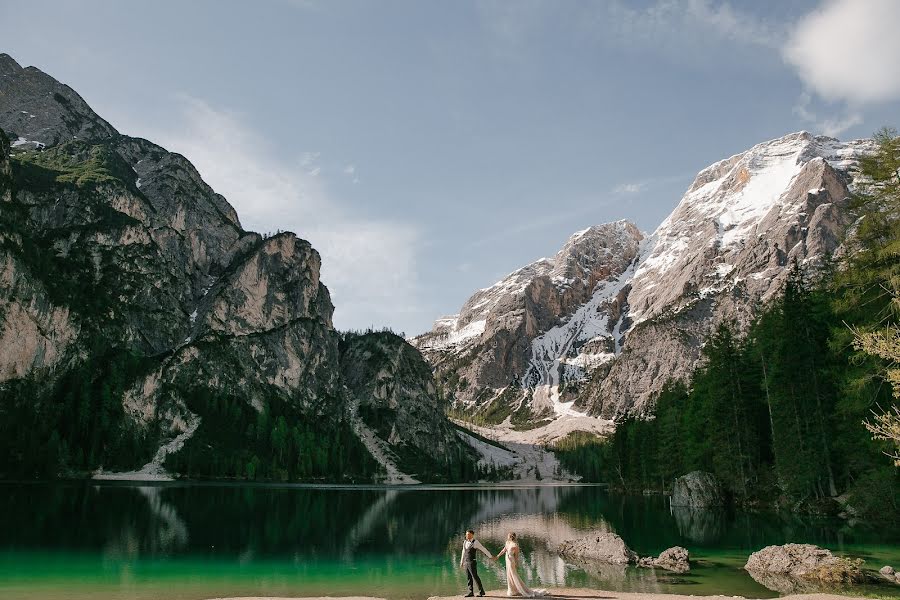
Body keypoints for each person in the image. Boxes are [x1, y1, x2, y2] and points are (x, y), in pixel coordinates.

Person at [495, 532, 547, 598]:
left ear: (511, 537)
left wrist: (516, 564)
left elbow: (516, 556)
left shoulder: (515, 546)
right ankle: (512, 590)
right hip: (507, 560)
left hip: (511, 561)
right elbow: (504, 550)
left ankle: (517, 590)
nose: (507, 537)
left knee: (513, 575)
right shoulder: (507, 542)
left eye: (508, 536)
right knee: (509, 575)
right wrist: (498, 556)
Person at [460, 529, 494, 597]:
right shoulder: (465, 542)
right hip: (466, 562)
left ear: (472, 535)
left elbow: (483, 549)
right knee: (468, 577)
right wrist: (461, 561)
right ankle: (470, 592)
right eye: (466, 535)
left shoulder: (475, 542)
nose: (467, 536)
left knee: (475, 576)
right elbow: (463, 551)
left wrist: (490, 556)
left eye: (468, 535)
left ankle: (481, 592)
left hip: (472, 562)